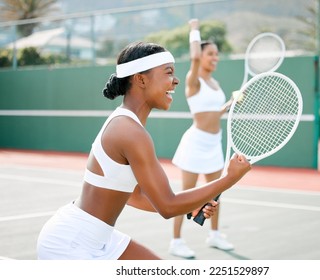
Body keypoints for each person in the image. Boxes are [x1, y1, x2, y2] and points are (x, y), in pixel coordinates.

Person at [36, 41, 251, 260]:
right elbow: (167, 205)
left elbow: (135, 196)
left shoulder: (129, 125)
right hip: (70, 244)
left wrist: (189, 207)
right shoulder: (130, 131)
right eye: (168, 73)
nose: (175, 80)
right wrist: (229, 178)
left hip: (98, 238)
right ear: (141, 79)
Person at [170, 19, 235, 259]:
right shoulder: (193, 80)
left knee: (215, 194)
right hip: (195, 144)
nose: (215, 58)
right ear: (201, 55)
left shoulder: (215, 84)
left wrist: (230, 104)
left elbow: (213, 114)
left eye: (217, 54)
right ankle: (176, 241)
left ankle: (215, 235)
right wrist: (194, 30)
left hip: (214, 144)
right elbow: (194, 59)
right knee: (185, 196)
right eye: (210, 54)